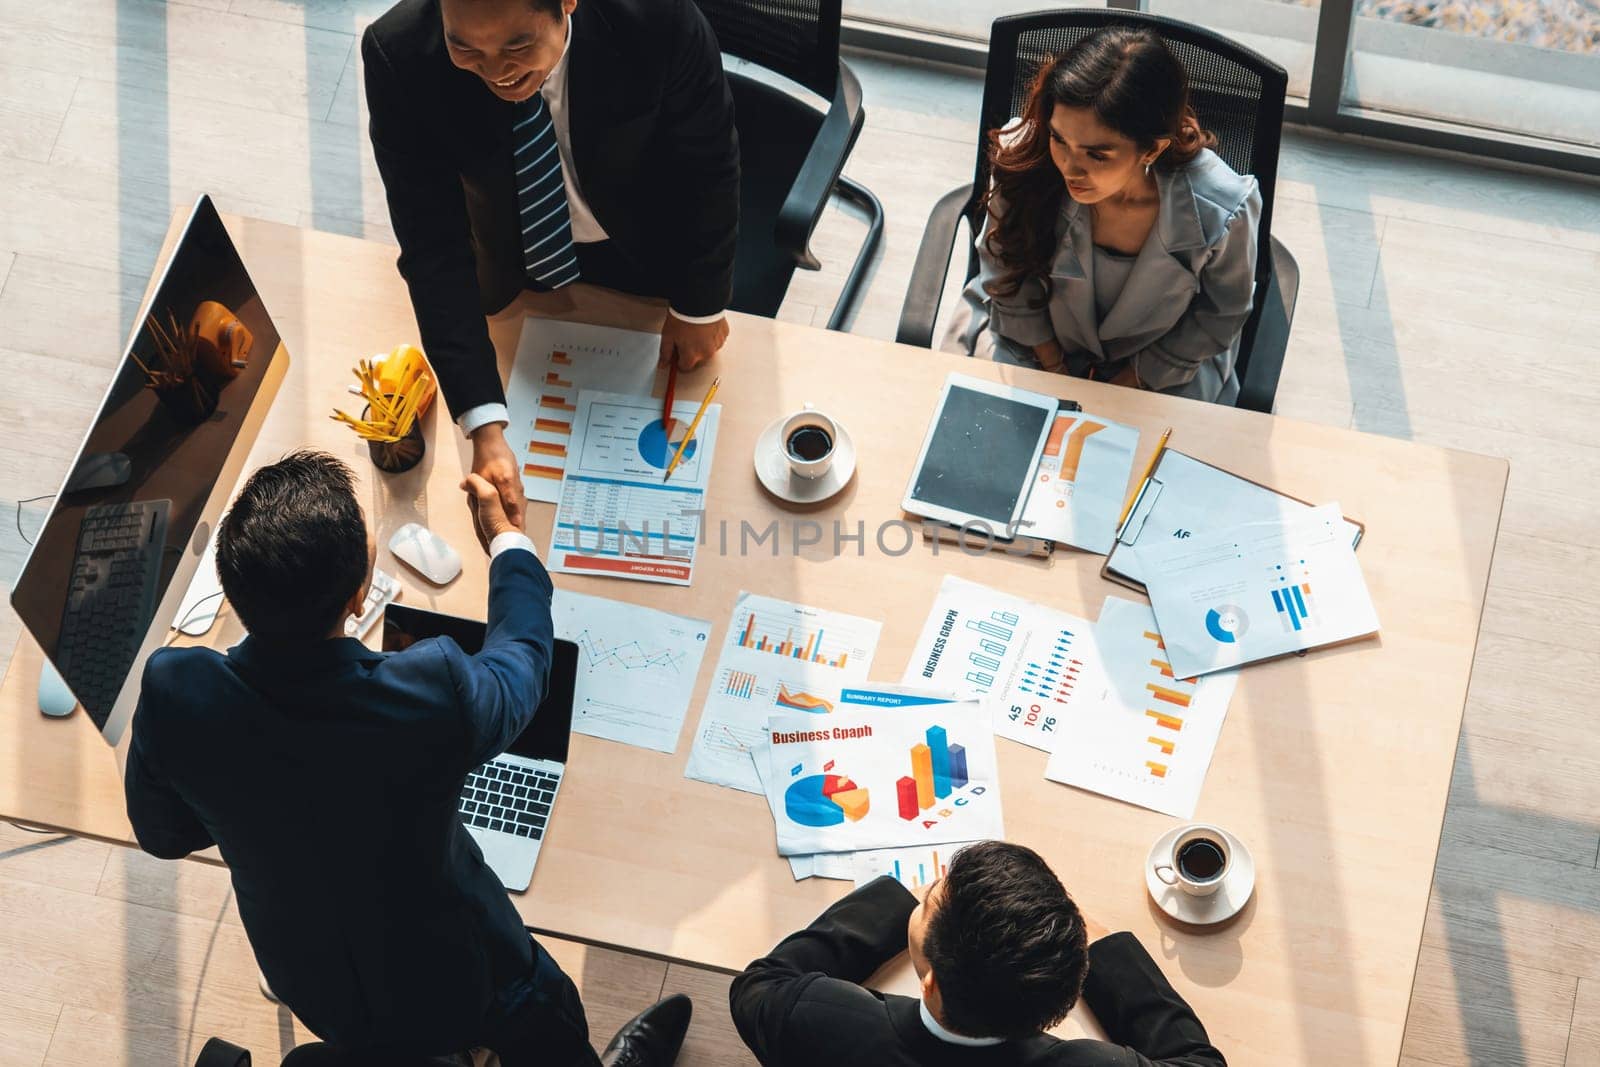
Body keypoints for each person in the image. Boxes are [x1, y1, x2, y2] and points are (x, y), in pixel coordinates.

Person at [123, 451, 691, 1066]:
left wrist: (268, 812)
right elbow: (524, 660)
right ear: (360, 595)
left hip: (316, 985)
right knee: (547, 1016)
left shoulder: (176, 690)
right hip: (462, 979)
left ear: (232, 588)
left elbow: (162, 834)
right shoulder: (428, 691)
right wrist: (508, 541)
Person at [362, 0, 740, 527]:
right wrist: (485, 428)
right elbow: (432, 247)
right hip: (515, 266)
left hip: (650, 258)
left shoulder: (658, 17)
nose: (498, 72)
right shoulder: (398, 53)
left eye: (518, 46)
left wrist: (699, 307)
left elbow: (709, 165)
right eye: (465, 48)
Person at [956, 28, 1261, 405]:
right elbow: (1005, 271)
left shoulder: (1224, 207)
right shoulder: (1026, 161)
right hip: (1026, 340)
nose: (1070, 168)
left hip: (1161, 370)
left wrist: (1125, 385)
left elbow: (1221, 312)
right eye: (1060, 139)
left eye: (1097, 155)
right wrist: (1054, 370)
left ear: (1151, 150)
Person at [729, 840, 1226, 1066]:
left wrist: (898, 898)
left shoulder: (819, 1020)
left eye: (930, 900)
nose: (929, 894)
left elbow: (758, 985)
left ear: (931, 983)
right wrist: (1090, 942)